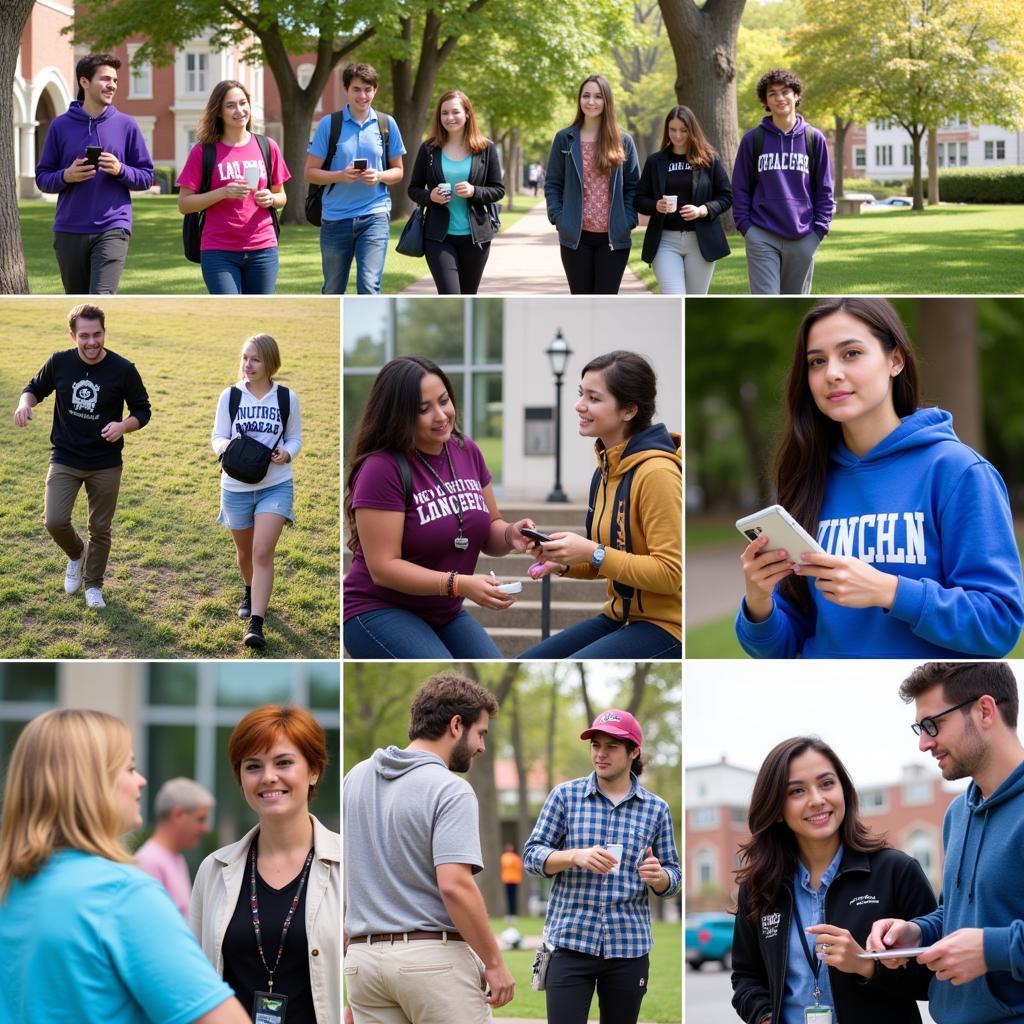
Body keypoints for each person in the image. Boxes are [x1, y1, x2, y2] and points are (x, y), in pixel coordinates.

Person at [735, 297, 1024, 658]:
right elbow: (783, 646)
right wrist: (758, 600)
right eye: (817, 361)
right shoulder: (806, 479)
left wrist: (889, 591)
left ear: (895, 360)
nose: (832, 373)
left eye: (851, 353)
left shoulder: (958, 472)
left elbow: (1000, 623)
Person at [0, 709, 249, 1024]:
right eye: (129, 768)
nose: (141, 781)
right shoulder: (121, 894)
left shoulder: (10, 888)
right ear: (91, 784)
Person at [344, 672, 516, 1023]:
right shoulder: (450, 789)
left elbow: (347, 881)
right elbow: (454, 885)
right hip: (431, 962)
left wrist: (353, 968)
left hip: (362, 963)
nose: (482, 746)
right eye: (480, 733)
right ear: (456, 725)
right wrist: (495, 963)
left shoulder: (354, 779)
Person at [730, 736, 936, 1024]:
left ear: (844, 791)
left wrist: (866, 966)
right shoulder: (758, 887)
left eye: (827, 784)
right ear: (776, 810)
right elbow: (746, 977)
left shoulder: (897, 871)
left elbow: (933, 980)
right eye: (797, 791)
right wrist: (765, 1017)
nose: (817, 800)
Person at [343, 355, 536, 658]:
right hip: (378, 609)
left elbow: (490, 529)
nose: (441, 415)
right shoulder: (381, 468)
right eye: (424, 409)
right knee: (440, 669)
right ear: (399, 415)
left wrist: (511, 534)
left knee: (493, 667)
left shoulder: (466, 449)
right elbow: (383, 568)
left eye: (444, 401)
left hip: (444, 611)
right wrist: (459, 584)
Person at [866, 661, 1024, 1024]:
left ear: (985, 711)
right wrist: (917, 930)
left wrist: (991, 949)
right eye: (919, 729)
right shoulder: (957, 814)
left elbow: (983, 939)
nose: (924, 744)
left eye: (932, 725)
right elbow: (956, 915)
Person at [517, 351, 682, 659]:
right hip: (619, 617)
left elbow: (670, 573)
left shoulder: (657, 474)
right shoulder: (605, 471)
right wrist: (564, 560)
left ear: (629, 410)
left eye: (594, 398)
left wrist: (593, 552)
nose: (580, 405)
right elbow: (610, 557)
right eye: (581, 394)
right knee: (525, 662)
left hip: (668, 628)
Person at [523, 709, 681, 1024]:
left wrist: (660, 877)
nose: (600, 754)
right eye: (596, 745)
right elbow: (532, 855)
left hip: (629, 949)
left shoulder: (656, 809)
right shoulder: (564, 796)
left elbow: (674, 877)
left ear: (634, 751)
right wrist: (573, 856)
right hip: (569, 943)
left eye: (611, 746)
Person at [190, 705, 340, 1024]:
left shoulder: (349, 864)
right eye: (253, 766)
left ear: (313, 770)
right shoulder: (214, 870)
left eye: (284, 763)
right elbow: (195, 980)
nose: (268, 777)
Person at [13, 303, 152, 610]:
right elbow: (34, 388)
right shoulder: (60, 362)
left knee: (100, 529)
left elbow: (143, 410)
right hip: (65, 457)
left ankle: (94, 585)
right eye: (85, 336)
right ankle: (77, 553)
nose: (92, 343)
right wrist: (25, 404)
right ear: (72, 335)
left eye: (98, 334)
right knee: (54, 520)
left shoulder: (123, 369)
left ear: (105, 332)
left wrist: (123, 426)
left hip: (105, 463)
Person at [211, 333, 302, 652]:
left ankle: (256, 624)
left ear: (269, 362)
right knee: (245, 553)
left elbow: (295, 438)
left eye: (255, 359)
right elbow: (217, 436)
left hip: (275, 484)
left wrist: (286, 454)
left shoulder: (286, 398)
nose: (248, 365)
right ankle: (250, 589)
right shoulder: (231, 396)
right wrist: (230, 449)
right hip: (235, 486)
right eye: (245, 358)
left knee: (262, 552)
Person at [35, 52, 154, 295]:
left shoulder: (126, 125)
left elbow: (146, 176)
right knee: (76, 302)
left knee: (103, 296)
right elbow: (43, 178)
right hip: (69, 229)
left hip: (113, 226)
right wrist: (66, 176)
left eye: (115, 80)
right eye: (105, 79)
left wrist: (121, 170)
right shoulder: (60, 125)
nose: (112, 85)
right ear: (84, 82)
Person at [177, 79, 290, 294]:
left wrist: (271, 199)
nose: (239, 110)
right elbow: (184, 204)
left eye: (243, 103)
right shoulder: (203, 151)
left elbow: (281, 196)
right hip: (218, 251)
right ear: (219, 112)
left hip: (263, 248)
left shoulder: (267, 146)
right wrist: (222, 192)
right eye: (230, 105)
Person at [304, 62, 406, 294]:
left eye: (368, 90)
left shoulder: (386, 124)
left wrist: (379, 175)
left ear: (375, 90)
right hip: (335, 219)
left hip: (374, 216)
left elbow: (398, 171)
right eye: (357, 89)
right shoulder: (329, 124)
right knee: (332, 289)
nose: (363, 95)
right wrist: (340, 175)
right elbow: (309, 173)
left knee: (369, 286)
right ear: (346, 89)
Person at [731, 68, 833, 294]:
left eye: (785, 92)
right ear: (765, 101)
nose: (780, 98)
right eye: (772, 94)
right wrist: (746, 228)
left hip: (804, 235)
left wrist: (819, 231)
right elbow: (740, 188)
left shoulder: (813, 139)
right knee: (766, 299)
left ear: (796, 95)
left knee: (795, 303)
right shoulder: (753, 139)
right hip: (761, 234)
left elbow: (825, 190)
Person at [545, 74, 640, 294]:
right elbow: (553, 183)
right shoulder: (564, 139)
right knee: (581, 300)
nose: (591, 101)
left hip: (613, 238)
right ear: (579, 100)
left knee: (606, 301)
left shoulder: (623, 140)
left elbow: (633, 186)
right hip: (575, 238)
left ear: (607, 101)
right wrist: (558, 218)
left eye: (598, 96)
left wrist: (627, 220)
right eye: (586, 96)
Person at [407, 89, 505, 294]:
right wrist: (430, 197)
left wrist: (474, 191)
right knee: (450, 295)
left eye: (455, 112)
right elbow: (413, 189)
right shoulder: (429, 149)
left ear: (467, 113)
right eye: (444, 113)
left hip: (476, 238)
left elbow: (498, 190)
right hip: (437, 237)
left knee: (468, 298)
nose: (449, 118)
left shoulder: (486, 148)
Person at [636, 104, 732, 294]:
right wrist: (657, 205)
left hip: (701, 241)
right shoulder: (655, 161)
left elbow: (727, 196)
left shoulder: (708, 160)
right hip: (665, 241)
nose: (677, 135)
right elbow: (639, 199)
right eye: (672, 130)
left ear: (692, 131)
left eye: (683, 130)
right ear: (667, 129)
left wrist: (702, 210)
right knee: (674, 298)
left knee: (695, 300)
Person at [135, 777, 216, 917]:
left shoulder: (176, 857)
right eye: (201, 819)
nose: (206, 828)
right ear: (178, 815)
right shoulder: (148, 863)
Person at [500, 842, 524, 919]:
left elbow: (519, 868)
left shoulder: (515, 858)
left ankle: (514, 914)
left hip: (514, 880)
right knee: (508, 898)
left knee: (513, 898)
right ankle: (509, 914)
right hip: (507, 880)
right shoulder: (504, 857)